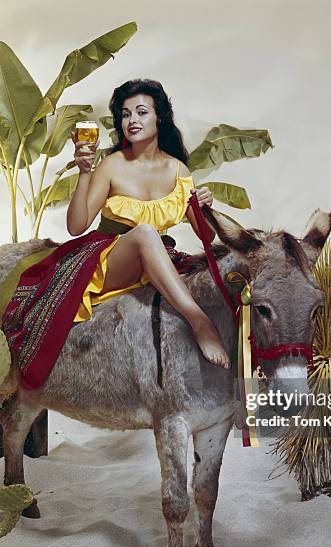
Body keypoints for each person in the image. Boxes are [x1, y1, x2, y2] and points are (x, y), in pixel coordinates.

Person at [2, 79, 230, 391]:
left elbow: (205, 238)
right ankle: (200, 322)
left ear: (159, 118)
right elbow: (76, 227)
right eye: (125, 114)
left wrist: (205, 207)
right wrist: (84, 173)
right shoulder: (111, 165)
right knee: (146, 234)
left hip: (157, 259)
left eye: (141, 112)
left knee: (168, 249)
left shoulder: (179, 171)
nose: (132, 121)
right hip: (107, 259)